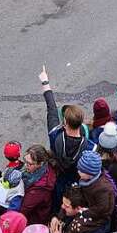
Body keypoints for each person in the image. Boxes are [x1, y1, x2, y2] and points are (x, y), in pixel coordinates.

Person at [41, 67, 96, 199]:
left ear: (65, 122)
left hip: (58, 175)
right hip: (77, 183)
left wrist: (45, 83)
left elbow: (52, 109)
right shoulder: (90, 147)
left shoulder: (55, 134)